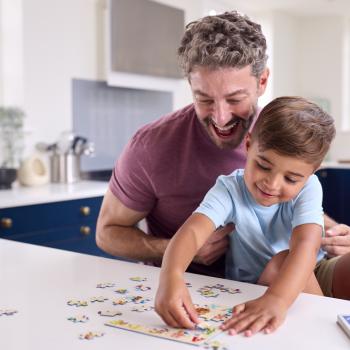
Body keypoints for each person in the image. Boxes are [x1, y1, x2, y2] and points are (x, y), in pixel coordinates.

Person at [96, 11, 350, 297]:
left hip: (297, 271)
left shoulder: (274, 133)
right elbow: (107, 232)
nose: (220, 117)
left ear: (262, 82)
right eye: (204, 99)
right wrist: (177, 249)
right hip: (208, 289)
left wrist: (334, 230)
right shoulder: (150, 146)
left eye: (235, 99)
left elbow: (297, 199)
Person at [155, 96, 335, 336]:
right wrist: (172, 275)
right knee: (282, 261)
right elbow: (192, 231)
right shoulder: (229, 189)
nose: (271, 184)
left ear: (312, 171)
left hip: (314, 268)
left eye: (291, 179)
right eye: (263, 166)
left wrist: (278, 300)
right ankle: (327, 333)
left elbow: (306, 246)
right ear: (248, 145)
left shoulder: (310, 186)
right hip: (262, 282)